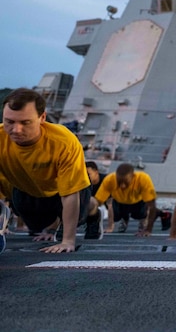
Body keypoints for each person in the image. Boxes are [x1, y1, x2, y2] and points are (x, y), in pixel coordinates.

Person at [0, 88, 92, 253]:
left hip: (60, 193)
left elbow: (70, 194)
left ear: (42, 117)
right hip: (27, 191)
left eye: (25, 122)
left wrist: (67, 241)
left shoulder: (63, 142)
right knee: (36, 225)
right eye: (9, 122)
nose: (16, 130)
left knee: (80, 213)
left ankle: (94, 210)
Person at [88, 163, 158, 237]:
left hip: (138, 202)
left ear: (133, 177)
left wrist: (148, 229)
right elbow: (99, 202)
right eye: (119, 181)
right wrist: (89, 209)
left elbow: (152, 206)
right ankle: (124, 218)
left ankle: (143, 221)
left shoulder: (143, 178)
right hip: (119, 202)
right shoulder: (110, 180)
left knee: (141, 213)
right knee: (94, 203)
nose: (122, 185)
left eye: (126, 181)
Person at [85, 161, 115, 234]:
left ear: (96, 172)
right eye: (84, 175)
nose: (86, 177)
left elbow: (110, 205)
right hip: (94, 202)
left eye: (88, 174)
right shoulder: (84, 183)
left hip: (113, 201)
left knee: (111, 204)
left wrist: (110, 227)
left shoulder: (107, 181)